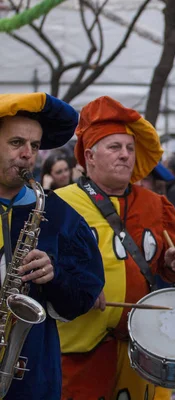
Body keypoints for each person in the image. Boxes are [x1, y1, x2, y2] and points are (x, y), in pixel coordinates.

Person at [55, 96, 175, 400]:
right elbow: (45, 270)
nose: (125, 156)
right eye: (114, 147)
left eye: (130, 148)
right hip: (80, 348)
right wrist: (74, 290)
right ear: (89, 156)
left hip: (141, 347)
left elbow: (172, 273)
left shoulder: (156, 205)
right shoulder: (60, 204)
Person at [0, 93, 104, 399]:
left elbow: (85, 292)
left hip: (32, 369)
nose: (27, 155)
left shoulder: (56, 212)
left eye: (34, 146)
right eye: (16, 143)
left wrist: (55, 275)